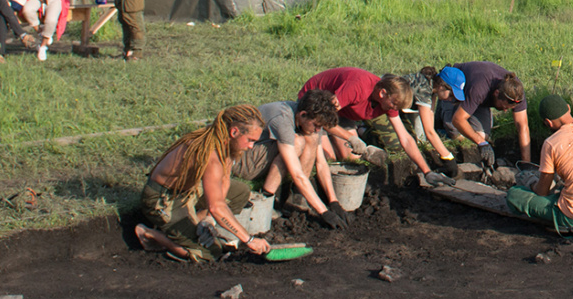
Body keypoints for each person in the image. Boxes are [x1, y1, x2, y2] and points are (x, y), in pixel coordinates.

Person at [131, 104, 273, 260]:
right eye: (250, 140)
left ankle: (192, 224)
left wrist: (209, 219)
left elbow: (224, 180)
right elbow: (217, 206)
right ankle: (152, 234)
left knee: (240, 192)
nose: (251, 146)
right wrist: (250, 239)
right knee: (210, 254)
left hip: (189, 189)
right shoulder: (210, 155)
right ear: (234, 132)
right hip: (164, 198)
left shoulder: (224, 142)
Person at [299, 66, 441, 182]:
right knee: (328, 157)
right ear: (383, 93)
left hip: (342, 112)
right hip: (317, 108)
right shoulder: (358, 88)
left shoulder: (388, 102)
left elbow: (405, 138)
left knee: (350, 158)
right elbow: (322, 117)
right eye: (394, 104)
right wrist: (350, 138)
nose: (394, 110)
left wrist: (427, 172)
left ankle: (333, 138)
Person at [504, 97, 573, 235]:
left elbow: (542, 192)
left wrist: (531, 183)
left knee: (514, 195)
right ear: (568, 108)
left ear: (548, 122)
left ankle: (568, 223)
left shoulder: (551, 143)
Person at [248, 95, 345, 229]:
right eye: (316, 125)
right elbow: (297, 174)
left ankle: (298, 196)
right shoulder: (283, 120)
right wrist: (324, 212)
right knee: (297, 142)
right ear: (303, 114)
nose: (318, 129)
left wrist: (333, 201)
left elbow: (321, 163)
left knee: (312, 137)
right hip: (247, 160)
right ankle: (267, 199)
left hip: (263, 154)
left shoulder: (308, 117)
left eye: (321, 127)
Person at [433, 62, 530, 168]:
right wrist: (481, 143)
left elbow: (522, 126)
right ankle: (441, 113)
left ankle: (469, 110)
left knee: (483, 135)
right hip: (455, 90)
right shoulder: (479, 89)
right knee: (456, 134)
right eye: (504, 107)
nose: (505, 111)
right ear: (496, 93)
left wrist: (526, 164)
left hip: (478, 100)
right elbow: (458, 120)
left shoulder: (516, 92)